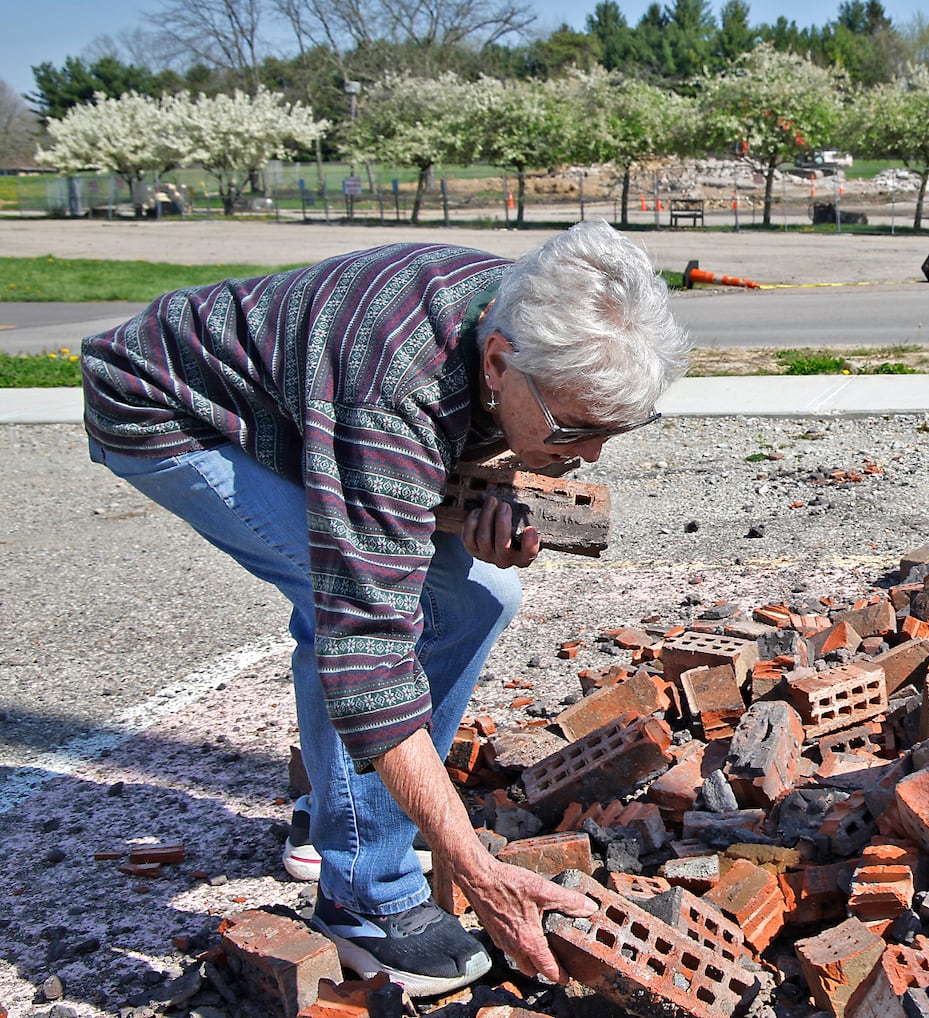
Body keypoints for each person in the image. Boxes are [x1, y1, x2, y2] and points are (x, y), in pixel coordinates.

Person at [80, 222, 691, 996]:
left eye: (616, 430)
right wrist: (476, 868)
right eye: (575, 429)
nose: (592, 454)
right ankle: (365, 895)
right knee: (367, 611)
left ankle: (337, 807)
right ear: (501, 362)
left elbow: (461, 433)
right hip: (169, 410)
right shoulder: (395, 388)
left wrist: (497, 480)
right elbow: (367, 649)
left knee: (483, 595)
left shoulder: (534, 310)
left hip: (311, 411)